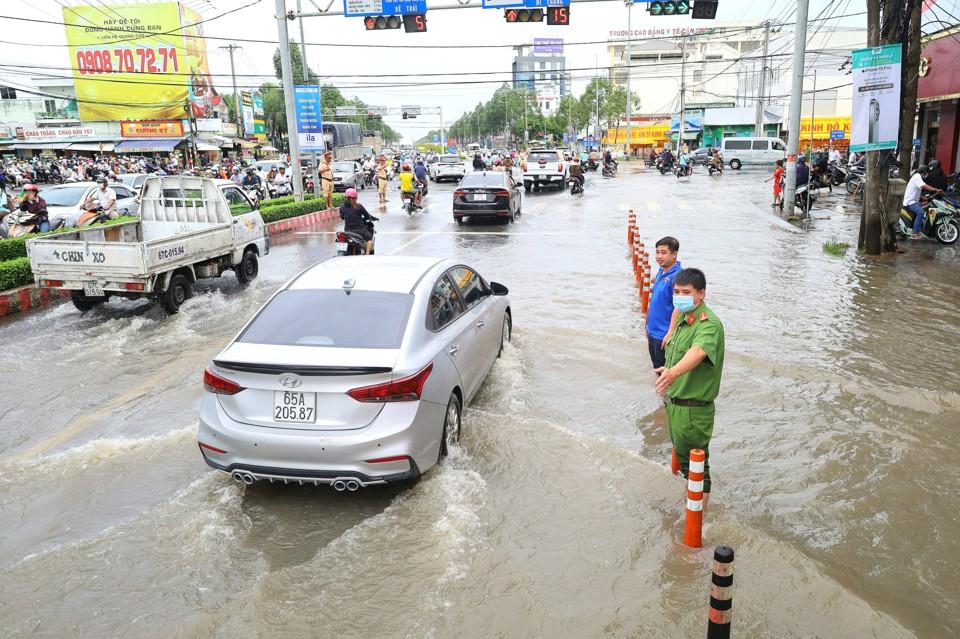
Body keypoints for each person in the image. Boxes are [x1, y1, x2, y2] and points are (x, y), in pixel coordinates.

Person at [655, 268, 725, 504]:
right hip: (676, 404)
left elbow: (698, 351)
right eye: (676, 292)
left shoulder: (708, 324)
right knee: (686, 463)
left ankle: (699, 524)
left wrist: (673, 373)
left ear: (701, 294)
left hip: (693, 410)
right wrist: (669, 369)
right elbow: (680, 354)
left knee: (696, 469)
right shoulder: (686, 321)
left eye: (686, 292)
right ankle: (687, 507)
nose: (679, 297)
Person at [646, 237, 682, 369]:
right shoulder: (662, 270)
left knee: (665, 371)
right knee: (656, 368)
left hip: (664, 334)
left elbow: (679, 306)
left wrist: (670, 332)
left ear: (674, 254)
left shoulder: (678, 276)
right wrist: (647, 324)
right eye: (657, 252)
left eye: (663, 252)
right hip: (652, 331)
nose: (659, 256)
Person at [903, 164, 942, 239]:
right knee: (920, 212)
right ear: (924, 172)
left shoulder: (917, 177)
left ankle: (920, 228)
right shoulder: (917, 177)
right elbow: (924, 186)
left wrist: (924, 198)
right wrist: (935, 189)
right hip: (910, 202)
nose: (927, 175)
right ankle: (915, 233)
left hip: (914, 201)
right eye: (927, 173)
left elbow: (916, 191)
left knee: (927, 205)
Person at [339, 188, 378, 254]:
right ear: (355, 198)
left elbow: (342, 217)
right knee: (369, 239)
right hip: (360, 230)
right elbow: (367, 216)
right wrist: (375, 218)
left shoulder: (342, 207)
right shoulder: (358, 206)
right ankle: (367, 254)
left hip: (348, 230)